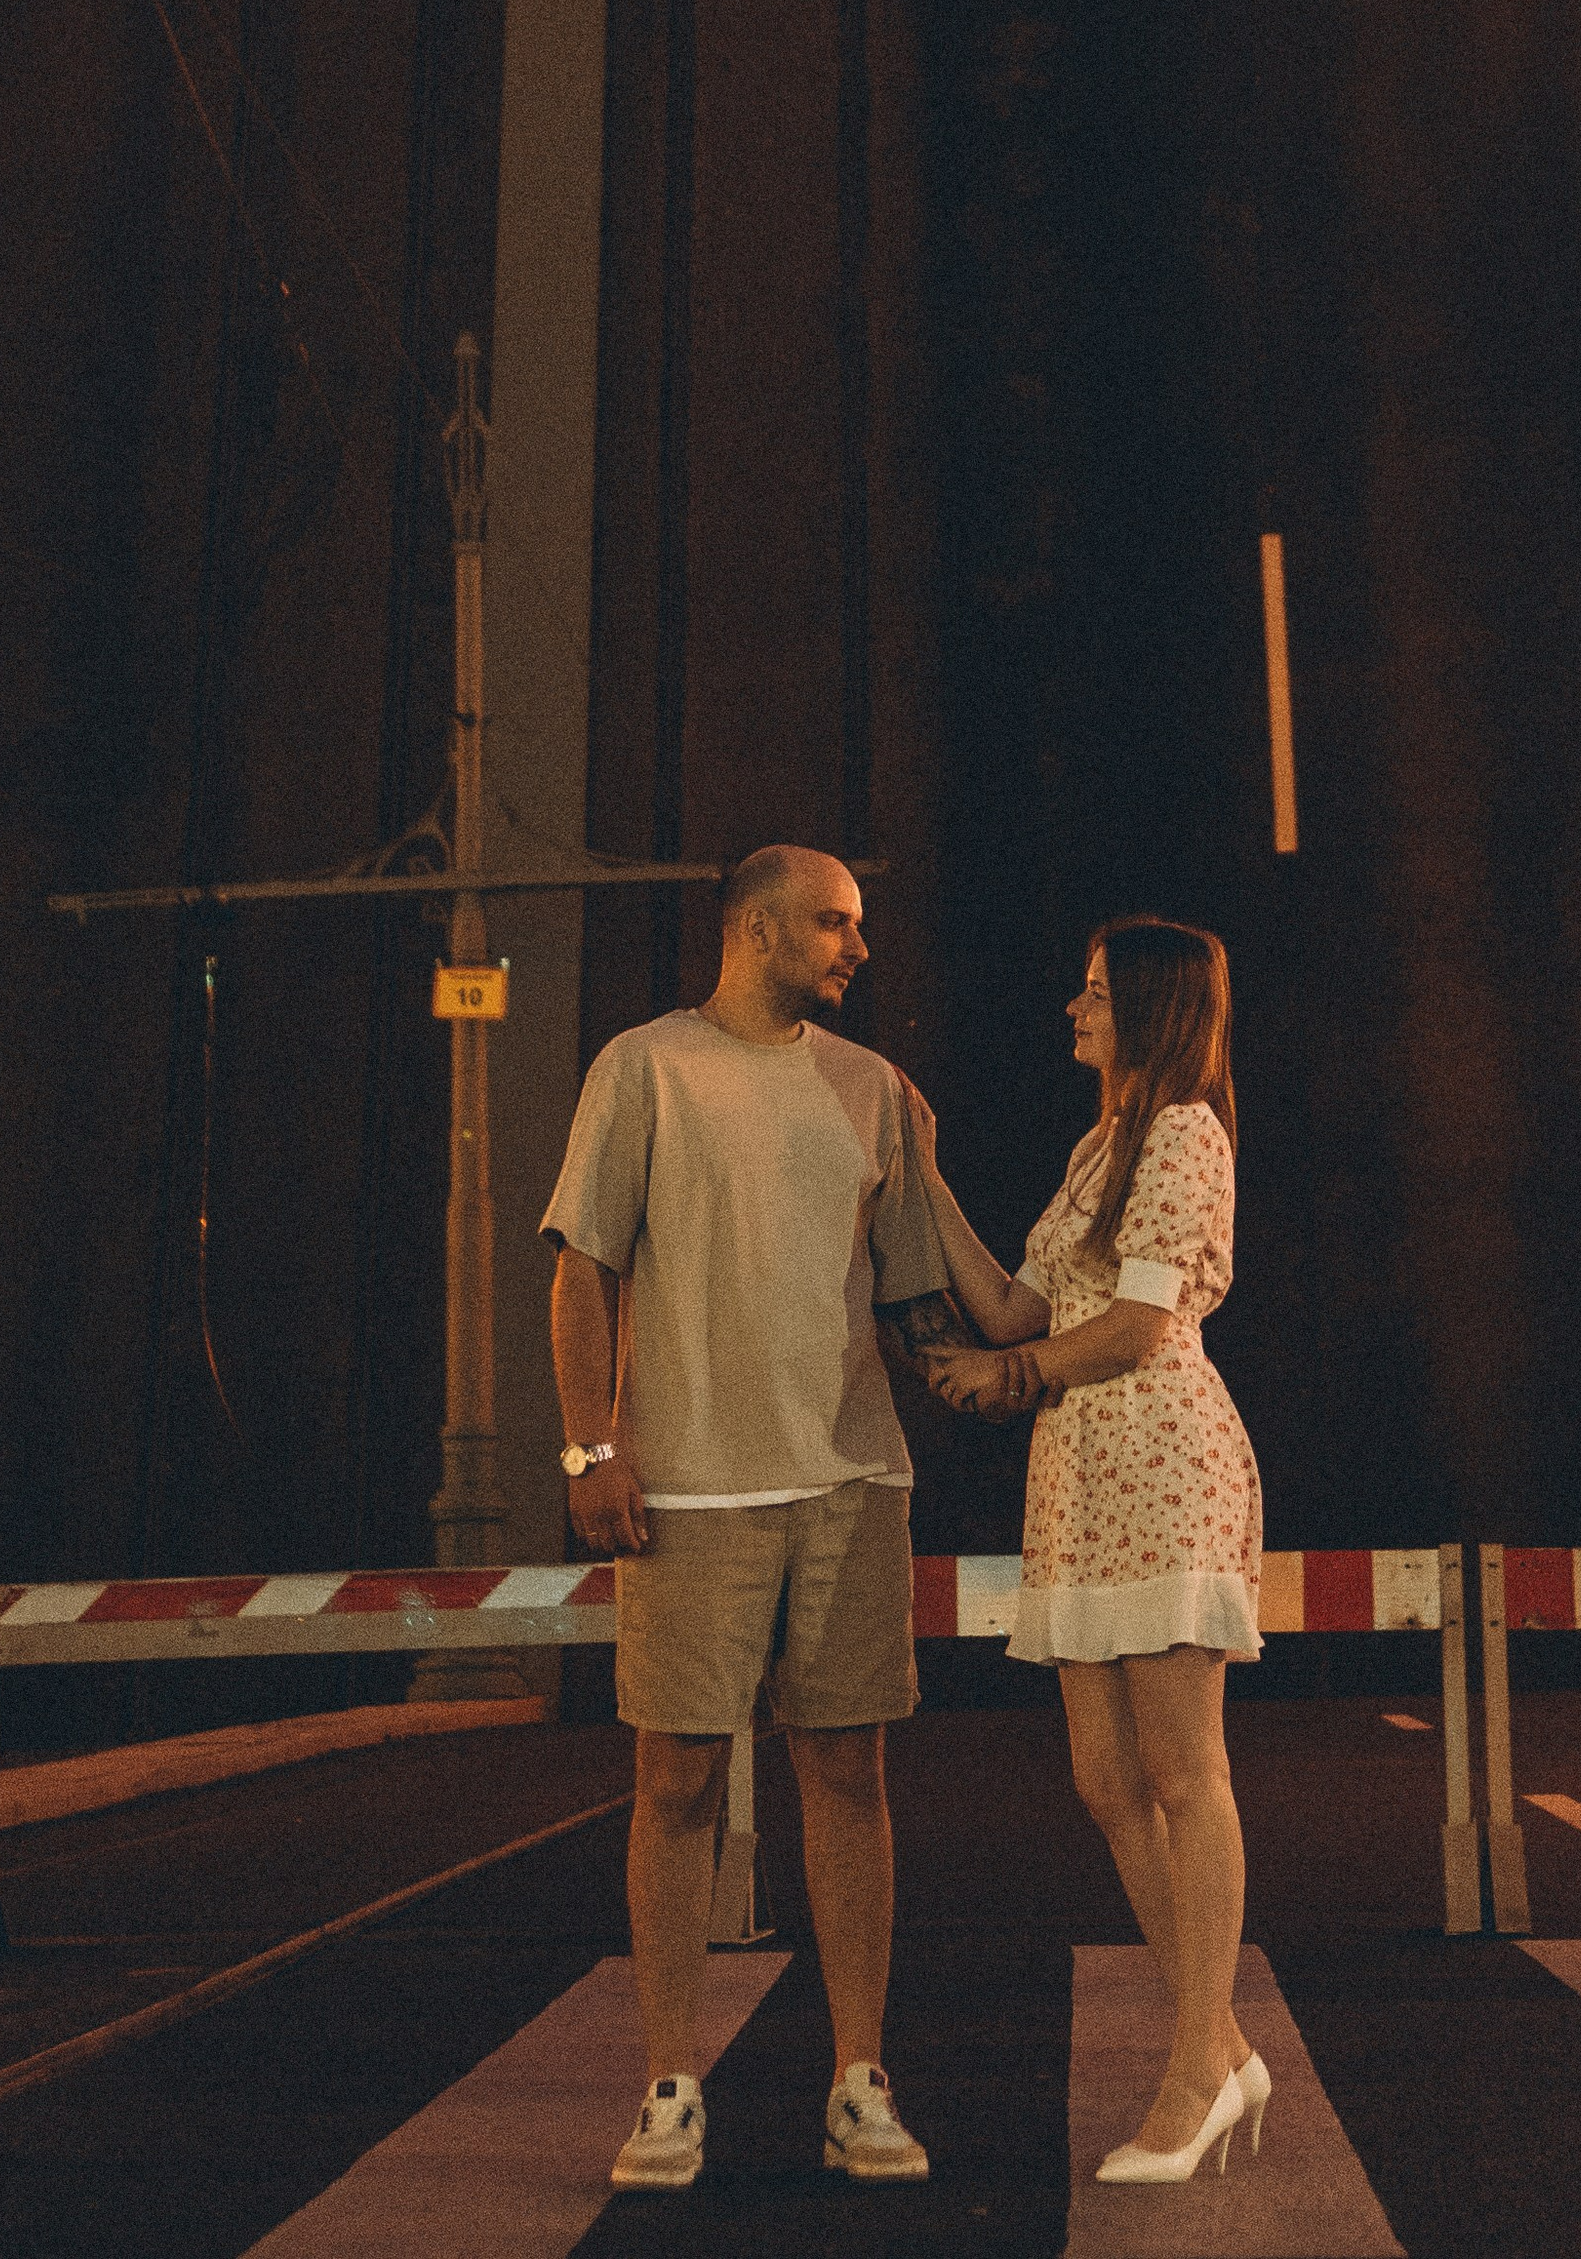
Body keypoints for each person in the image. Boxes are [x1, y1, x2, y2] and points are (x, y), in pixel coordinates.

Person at [544, 844, 972, 2196]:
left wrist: (1050, 1353)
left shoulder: (874, 1090)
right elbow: (580, 1268)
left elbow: (920, 1297)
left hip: (852, 1483)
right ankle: (673, 2083)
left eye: (859, 926)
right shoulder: (643, 1066)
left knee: (849, 1775)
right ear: (756, 928)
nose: (857, 949)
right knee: (673, 1779)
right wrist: (592, 1448)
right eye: (834, 924)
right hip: (688, 1490)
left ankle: (860, 2078)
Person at [910, 915, 1269, 2187]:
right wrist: (924, 1173)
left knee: (1184, 1770)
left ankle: (1194, 2073)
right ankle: (1218, 2040)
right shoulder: (1099, 1144)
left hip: (1160, 1458)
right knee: (1106, 1781)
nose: (1074, 1008)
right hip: (1077, 1477)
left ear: (1154, 1011)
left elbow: (1126, 1329)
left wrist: (1008, 1374)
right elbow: (1022, 1304)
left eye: (1097, 992)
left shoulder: (1183, 1133)